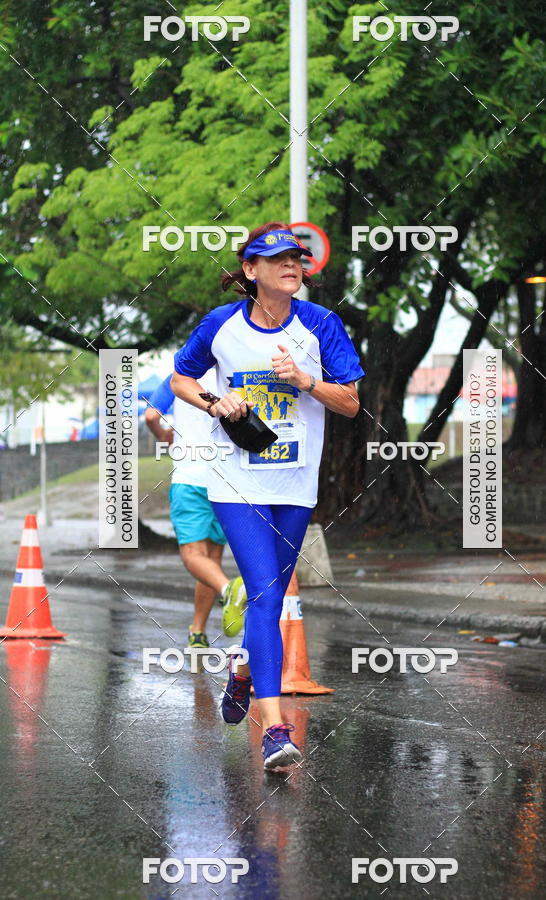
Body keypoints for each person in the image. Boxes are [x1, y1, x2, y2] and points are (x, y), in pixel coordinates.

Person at [171, 222, 364, 769]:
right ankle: (275, 729)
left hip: (296, 482)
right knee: (261, 592)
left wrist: (306, 380)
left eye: (298, 259)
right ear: (251, 271)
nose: (292, 266)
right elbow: (182, 377)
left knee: (273, 599)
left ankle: (242, 668)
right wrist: (216, 402)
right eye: (278, 259)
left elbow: (349, 403)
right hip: (237, 479)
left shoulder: (322, 324)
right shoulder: (222, 325)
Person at [144, 370, 247, 649]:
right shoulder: (232, 369)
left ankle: (230, 590)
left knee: (193, 556)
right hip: (226, 479)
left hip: (190, 479)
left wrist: (165, 435)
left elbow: (152, 416)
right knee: (211, 560)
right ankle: (197, 632)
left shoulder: (180, 375)